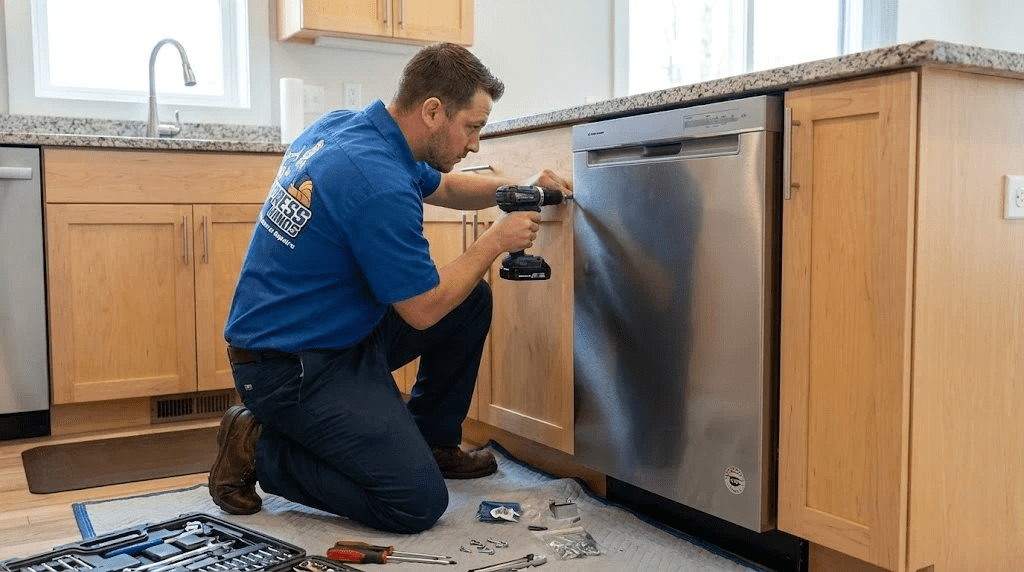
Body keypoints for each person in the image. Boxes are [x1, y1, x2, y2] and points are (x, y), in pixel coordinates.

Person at [208, 42, 572, 534]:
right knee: (414, 502)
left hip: (332, 332)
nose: (476, 146)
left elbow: (443, 187)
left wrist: (517, 186)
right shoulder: (375, 182)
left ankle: (433, 440)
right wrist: (495, 240)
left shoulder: (352, 129)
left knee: (469, 301)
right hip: (288, 368)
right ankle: (256, 444)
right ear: (432, 111)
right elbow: (422, 310)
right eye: (473, 127)